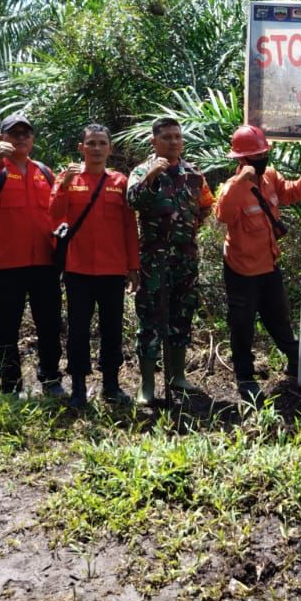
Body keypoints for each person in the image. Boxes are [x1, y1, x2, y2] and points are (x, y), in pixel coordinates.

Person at [214, 124, 301, 400]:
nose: (262, 160)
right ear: (242, 159)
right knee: (242, 324)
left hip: (268, 265)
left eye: (265, 154)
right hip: (241, 269)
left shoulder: (270, 178)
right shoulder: (233, 187)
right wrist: (242, 181)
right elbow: (223, 216)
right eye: (256, 156)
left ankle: (296, 363)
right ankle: (245, 377)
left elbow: (290, 193)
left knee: (279, 317)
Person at [0, 113, 63, 398]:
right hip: (6, 264)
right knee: (6, 327)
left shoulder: (44, 172)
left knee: (49, 324)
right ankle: (10, 384)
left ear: (32, 139)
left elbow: (60, 211)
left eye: (26, 134)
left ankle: (50, 378)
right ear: (2, 138)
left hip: (44, 263)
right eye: (14, 133)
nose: (20, 138)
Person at [126, 118, 215, 405]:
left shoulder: (193, 174)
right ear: (154, 142)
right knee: (150, 321)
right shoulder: (141, 171)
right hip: (154, 261)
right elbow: (132, 201)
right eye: (166, 137)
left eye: (177, 136)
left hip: (185, 259)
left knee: (181, 316)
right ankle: (147, 385)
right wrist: (151, 177)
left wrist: (186, 231)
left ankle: (177, 376)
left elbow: (205, 206)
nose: (174, 142)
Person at [50, 124, 139, 408]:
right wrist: (63, 188)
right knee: (78, 330)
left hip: (113, 270)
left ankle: (111, 385)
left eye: (102, 143)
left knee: (112, 328)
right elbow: (52, 215)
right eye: (91, 143)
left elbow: (129, 227)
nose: (97, 148)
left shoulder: (120, 181)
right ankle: (78, 386)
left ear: (110, 148)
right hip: (78, 269)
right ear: (81, 148)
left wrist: (133, 267)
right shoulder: (67, 178)